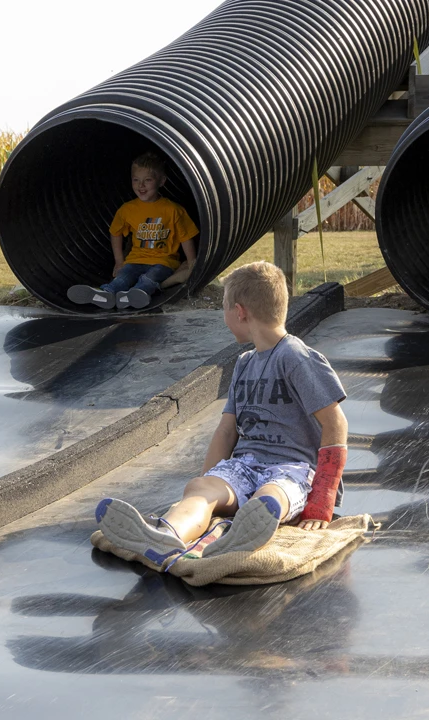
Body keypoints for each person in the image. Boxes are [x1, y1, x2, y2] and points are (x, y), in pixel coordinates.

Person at [96, 261, 349, 566]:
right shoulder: (244, 364)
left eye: (225, 309)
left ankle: (243, 533)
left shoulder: (296, 357)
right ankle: (166, 535)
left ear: (240, 311)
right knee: (201, 490)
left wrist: (322, 499)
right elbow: (226, 431)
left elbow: (335, 422)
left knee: (270, 497)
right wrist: (207, 480)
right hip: (244, 465)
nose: (225, 317)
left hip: (291, 468)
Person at [68, 152, 199, 310]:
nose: (140, 185)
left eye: (147, 180)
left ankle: (136, 293)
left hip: (164, 261)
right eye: (136, 180)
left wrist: (192, 264)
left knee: (151, 278)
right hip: (135, 259)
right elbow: (115, 232)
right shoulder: (128, 209)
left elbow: (186, 237)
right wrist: (119, 261)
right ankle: (105, 294)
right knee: (123, 277)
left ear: (162, 181)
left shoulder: (173, 210)